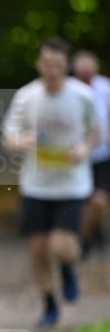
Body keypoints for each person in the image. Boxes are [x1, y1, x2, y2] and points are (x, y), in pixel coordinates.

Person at [2, 37, 99, 327]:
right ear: (38, 64)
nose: (52, 71)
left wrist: (83, 148)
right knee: (39, 250)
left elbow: (96, 133)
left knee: (61, 247)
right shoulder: (26, 96)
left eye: (57, 65)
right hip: (36, 185)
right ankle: (49, 305)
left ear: (66, 65)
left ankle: (68, 268)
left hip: (72, 184)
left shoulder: (82, 95)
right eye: (46, 64)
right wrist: (23, 140)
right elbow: (8, 138)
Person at [71, 50, 110, 257]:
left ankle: (96, 236)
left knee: (99, 201)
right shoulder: (69, 88)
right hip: (76, 155)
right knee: (85, 203)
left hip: (102, 154)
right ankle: (86, 240)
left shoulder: (105, 87)